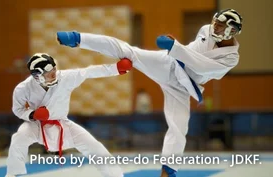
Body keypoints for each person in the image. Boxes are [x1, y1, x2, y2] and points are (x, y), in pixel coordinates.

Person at [56, 8, 243, 177]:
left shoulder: (231, 58)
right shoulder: (206, 29)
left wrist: (175, 47)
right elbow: (192, 52)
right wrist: (175, 47)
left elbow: (202, 67)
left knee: (179, 127)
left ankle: (168, 171)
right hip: (168, 64)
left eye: (220, 26)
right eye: (215, 23)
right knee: (128, 51)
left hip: (183, 86)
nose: (214, 28)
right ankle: (77, 38)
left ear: (231, 31)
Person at [5, 53, 132, 177]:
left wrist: (116, 69)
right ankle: (12, 173)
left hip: (63, 125)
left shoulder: (65, 78)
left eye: (54, 68)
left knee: (95, 147)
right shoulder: (23, 88)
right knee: (19, 137)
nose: (54, 73)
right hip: (37, 125)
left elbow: (89, 71)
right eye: (49, 72)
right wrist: (33, 115)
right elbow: (18, 109)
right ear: (38, 75)